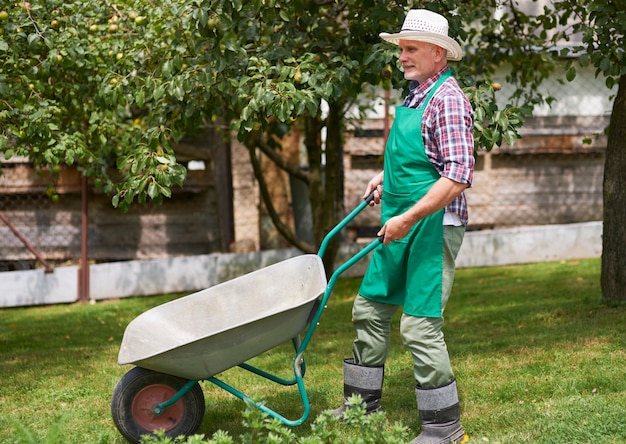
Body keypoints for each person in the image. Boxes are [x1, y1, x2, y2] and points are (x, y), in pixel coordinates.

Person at [332, 9, 475, 444]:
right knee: (370, 308)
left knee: (418, 324)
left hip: (430, 227)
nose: (402, 57)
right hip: (399, 220)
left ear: (437, 53)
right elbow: (420, 159)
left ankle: (444, 428)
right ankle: (361, 408)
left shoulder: (448, 99)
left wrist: (409, 217)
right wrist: (384, 178)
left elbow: (456, 176)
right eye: (401, 49)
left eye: (410, 49)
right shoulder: (417, 94)